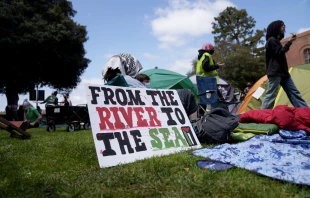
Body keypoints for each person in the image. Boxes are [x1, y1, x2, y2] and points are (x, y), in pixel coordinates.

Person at [261, 20, 308, 109]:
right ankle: (263, 114)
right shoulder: (271, 40)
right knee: (271, 95)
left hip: (284, 73)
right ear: (275, 28)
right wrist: (290, 42)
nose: (284, 27)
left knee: (294, 93)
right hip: (275, 72)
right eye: (281, 25)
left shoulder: (276, 41)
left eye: (284, 25)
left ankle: (305, 110)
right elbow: (279, 53)